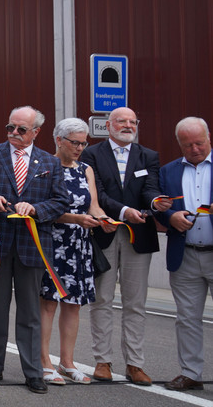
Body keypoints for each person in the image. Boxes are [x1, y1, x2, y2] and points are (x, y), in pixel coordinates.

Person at [0, 106, 68, 394]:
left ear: (36, 132)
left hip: (32, 245)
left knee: (30, 312)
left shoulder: (50, 163)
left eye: (21, 129)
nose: (14, 133)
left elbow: (61, 202)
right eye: (10, 127)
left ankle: (33, 372)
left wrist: (36, 209)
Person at [80, 106, 168, 385]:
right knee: (102, 299)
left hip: (139, 235)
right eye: (121, 121)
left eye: (132, 121)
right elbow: (98, 194)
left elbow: (150, 189)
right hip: (104, 232)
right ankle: (102, 361)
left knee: (135, 303)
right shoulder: (91, 154)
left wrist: (155, 203)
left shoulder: (148, 156)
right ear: (109, 125)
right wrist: (123, 211)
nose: (128, 125)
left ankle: (135, 363)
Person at [39, 118, 104, 386]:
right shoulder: (45, 167)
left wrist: (103, 219)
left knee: (73, 304)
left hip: (79, 243)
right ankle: (44, 362)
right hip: (53, 241)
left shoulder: (86, 169)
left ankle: (67, 362)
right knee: (49, 303)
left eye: (83, 143)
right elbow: (42, 208)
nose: (79, 148)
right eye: (74, 142)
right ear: (58, 140)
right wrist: (75, 219)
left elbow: (94, 206)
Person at [157, 116, 213, 392]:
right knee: (187, 318)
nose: (194, 149)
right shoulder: (168, 172)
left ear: (209, 137)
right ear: (179, 144)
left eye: (199, 143)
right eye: (187, 144)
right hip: (185, 253)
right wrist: (170, 216)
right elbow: (158, 204)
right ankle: (191, 373)